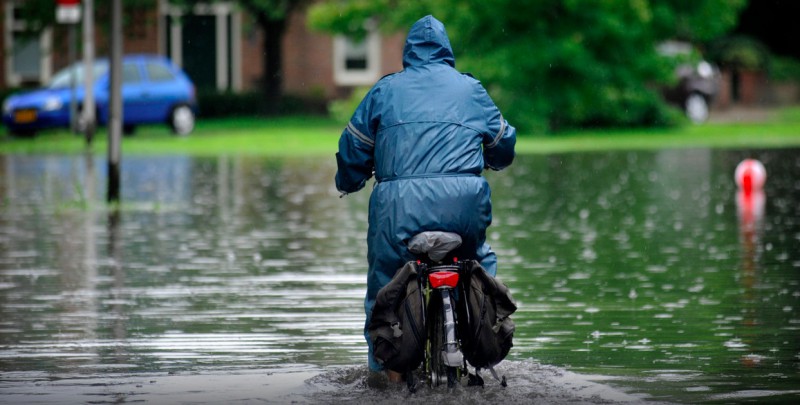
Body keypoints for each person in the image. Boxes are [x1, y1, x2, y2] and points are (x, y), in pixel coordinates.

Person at [334, 15, 516, 382]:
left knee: (385, 280)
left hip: (398, 209)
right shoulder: (471, 90)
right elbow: (504, 144)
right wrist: (493, 159)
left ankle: (383, 373)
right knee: (479, 259)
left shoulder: (385, 91)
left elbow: (353, 146)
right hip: (463, 207)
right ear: (447, 51)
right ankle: (485, 332)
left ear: (408, 52)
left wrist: (350, 180)